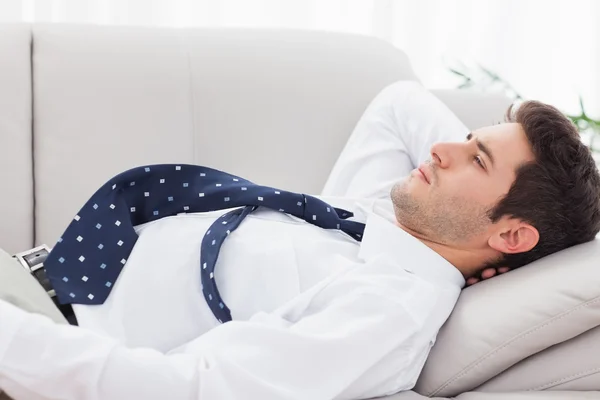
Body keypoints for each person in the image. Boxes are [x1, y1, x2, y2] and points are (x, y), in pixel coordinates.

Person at [0, 81, 599, 400]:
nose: (439, 150)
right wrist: (475, 200)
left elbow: (194, 391)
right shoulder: (376, 217)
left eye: (476, 157)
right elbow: (398, 103)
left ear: (515, 233)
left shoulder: (389, 309)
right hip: (21, 278)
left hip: (37, 338)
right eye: (462, 137)